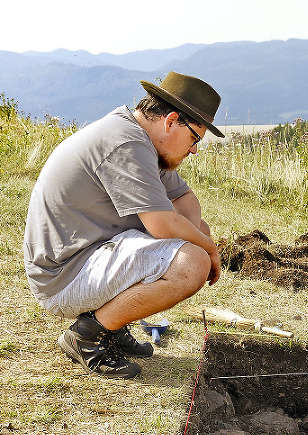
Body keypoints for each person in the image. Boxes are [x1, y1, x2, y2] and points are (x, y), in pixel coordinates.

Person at [23, 72, 225, 379]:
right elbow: (161, 225)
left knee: (196, 235)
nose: (195, 149)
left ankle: (112, 325)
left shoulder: (142, 139)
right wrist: (206, 249)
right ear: (170, 122)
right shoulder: (127, 143)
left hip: (89, 256)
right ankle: (87, 335)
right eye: (195, 138)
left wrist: (198, 238)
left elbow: (185, 199)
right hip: (64, 275)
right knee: (190, 263)